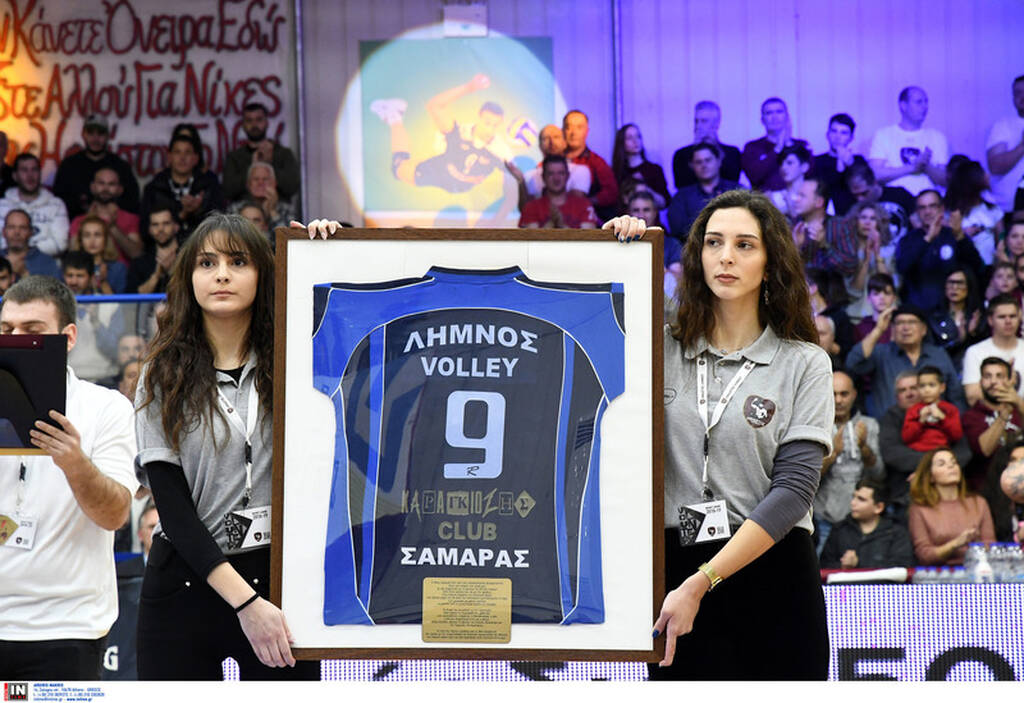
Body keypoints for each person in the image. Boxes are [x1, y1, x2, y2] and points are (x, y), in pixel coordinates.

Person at [607, 189, 833, 680]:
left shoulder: (804, 362)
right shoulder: (659, 346)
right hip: (675, 570)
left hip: (773, 571)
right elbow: (594, 312)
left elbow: (794, 492)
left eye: (744, 244)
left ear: (770, 265)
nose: (726, 256)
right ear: (697, 257)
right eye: (713, 242)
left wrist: (703, 582)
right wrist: (616, 250)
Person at [133, 213, 320, 680]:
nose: (221, 274)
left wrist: (324, 250)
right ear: (189, 278)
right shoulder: (161, 374)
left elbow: (354, 319)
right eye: (207, 262)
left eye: (238, 261)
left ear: (263, 273)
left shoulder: (297, 357)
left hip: (280, 585)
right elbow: (173, 509)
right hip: (185, 582)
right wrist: (247, 603)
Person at [0, 276, 138, 680]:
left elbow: (115, 515)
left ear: (69, 337)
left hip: (67, 626)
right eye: (7, 329)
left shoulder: (106, 407)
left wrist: (75, 462)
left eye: (32, 330)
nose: (16, 340)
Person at [846, 304, 965, 418]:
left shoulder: (938, 355)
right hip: (889, 427)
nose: (906, 328)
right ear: (892, 329)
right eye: (900, 323)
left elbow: (955, 395)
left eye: (912, 322)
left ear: (923, 329)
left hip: (933, 426)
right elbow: (852, 365)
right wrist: (878, 330)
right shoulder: (880, 353)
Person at [814, 370, 883, 551]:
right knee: (822, 568)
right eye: (833, 394)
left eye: (844, 394)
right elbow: (808, 478)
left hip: (861, 521)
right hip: (823, 519)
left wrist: (864, 448)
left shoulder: (868, 425)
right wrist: (834, 453)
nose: (838, 400)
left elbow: (879, 475)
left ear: (854, 395)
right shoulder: (815, 427)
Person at [895, 189, 985, 313]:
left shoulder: (954, 235)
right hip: (918, 311)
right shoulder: (908, 240)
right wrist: (928, 239)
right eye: (922, 207)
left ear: (942, 208)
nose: (927, 211)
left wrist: (960, 236)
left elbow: (977, 267)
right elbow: (902, 267)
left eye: (932, 206)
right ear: (917, 212)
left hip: (951, 310)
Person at [907, 449, 995, 565]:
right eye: (941, 464)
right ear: (931, 477)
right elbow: (924, 555)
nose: (951, 466)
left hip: (977, 569)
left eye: (954, 462)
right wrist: (956, 543)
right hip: (939, 573)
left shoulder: (979, 503)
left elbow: (991, 546)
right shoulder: (919, 509)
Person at [52, 114, 141, 219]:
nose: (95, 138)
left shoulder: (121, 166)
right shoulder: (69, 166)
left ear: (108, 136)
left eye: (100, 133)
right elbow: (58, 202)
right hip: (77, 224)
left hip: (114, 223)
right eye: (90, 133)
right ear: (83, 134)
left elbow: (132, 202)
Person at [140, 134, 224, 239]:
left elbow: (220, 225)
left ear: (196, 158)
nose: (182, 158)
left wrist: (198, 211)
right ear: (169, 157)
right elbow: (144, 231)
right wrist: (182, 214)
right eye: (177, 152)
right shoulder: (154, 188)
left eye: (187, 152)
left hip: (200, 244)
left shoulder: (209, 186)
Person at [869, 86, 949, 195]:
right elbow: (875, 175)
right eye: (919, 102)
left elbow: (944, 180)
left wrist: (925, 165)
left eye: (926, 102)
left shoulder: (937, 137)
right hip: (895, 198)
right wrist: (912, 167)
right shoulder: (883, 135)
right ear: (903, 106)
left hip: (929, 200)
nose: (925, 107)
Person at [819, 480, 914, 569]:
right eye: (853, 497)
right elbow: (823, 565)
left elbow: (901, 567)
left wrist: (858, 564)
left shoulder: (896, 533)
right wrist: (842, 566)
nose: (853, 503)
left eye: (861, 499)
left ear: (879, 507)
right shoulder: (839, 530)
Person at [962, 357, 1024, 491]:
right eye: (987, 376)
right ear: (980, 382)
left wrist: (1019, 403)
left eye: (999, 376)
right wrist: (1005, 412)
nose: (993, 382)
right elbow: (985, 450)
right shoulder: (971, 416)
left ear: (1010, 381)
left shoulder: (1019, 410)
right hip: (987, 489)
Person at [222, 102, 301, 204]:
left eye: (259, 120)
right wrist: (252, 167)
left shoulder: (283, 154)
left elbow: (292, 187)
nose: (254, 125)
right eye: (249, 120)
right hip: (243, 210)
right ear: (243, 125)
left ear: (267, 123)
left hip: (278, 209)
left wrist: (269, 164)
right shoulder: (234, 157)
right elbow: (228, 191)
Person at [504, 123, 591, 209]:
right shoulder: (529, 176)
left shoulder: (580, 170)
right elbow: (526, 211)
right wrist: (521, 181)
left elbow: (574, 207)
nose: (551, 142)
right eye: (545, 138)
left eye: (556, 137)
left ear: (565, 143)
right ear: (540, 146)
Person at [0, 153, 69, 257]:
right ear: (15, 176)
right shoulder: (2, 205)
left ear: (40, 174)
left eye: (34, 170)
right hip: (7, 261)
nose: (30, 175)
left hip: (45, 263)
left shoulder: (57, 204)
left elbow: (60, 244)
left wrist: (23, 251)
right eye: (24, 170)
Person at [666, 143, 740, 240]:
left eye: (708, 160)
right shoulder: (681, 197)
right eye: (698, 162)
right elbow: (677, 229)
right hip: (694, 246)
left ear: (719, 161)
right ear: (692, 166)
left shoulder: (738, 191)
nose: (704, 165)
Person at [68, 168, 143, 263]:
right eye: (101, 183)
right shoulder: (79, 221)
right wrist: (88, 221)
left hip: (121, 271)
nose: (105, 189)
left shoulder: (131, 219)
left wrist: (113, 227)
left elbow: (136, 254)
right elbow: (73, 256)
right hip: (88, 271)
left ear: (120, 189)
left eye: (111, 184)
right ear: (92, 187)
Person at [961, 294, 1024, 406]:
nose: (1008, 321)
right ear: (990, 320)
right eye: (1002, 317)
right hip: (988, 416)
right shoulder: (975, 352)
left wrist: (1018, 403)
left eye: (1012, 316)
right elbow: (973, 397)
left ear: (1019, 318)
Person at [740, 97, 810, 191]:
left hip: (798, 198)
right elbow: (754, 176)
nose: (775, 117)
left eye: (779, 112)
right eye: (769, 113)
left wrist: (789, 144)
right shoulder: (752, 147)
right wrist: (777, 149)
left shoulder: (802, 145)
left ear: (787, 117)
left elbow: (810, 175)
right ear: (762, 120)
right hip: (763, 199)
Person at [671, 100, 742, 190]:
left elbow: (732, 180)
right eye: (696, 121)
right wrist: (696, 150)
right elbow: (682, 185)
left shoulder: (732, 153)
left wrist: (714, 147)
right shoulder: (681, 155)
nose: (698, 126)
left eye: (704, 121)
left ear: (716, 123)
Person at [844, 161, 916, 248]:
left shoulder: (899, 195)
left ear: (874, 183)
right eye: (855, 195)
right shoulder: (853, 207)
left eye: (864, 193)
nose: (860, 199)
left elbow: (917, 225)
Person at [563, 110, 620, 219]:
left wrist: (585, 202)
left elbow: (611, 193)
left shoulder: (596, 163)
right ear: (563, 130)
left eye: (579, 127)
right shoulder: (552, 161)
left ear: (587, 131)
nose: (573, 132)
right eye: (568, 127)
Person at [945, 159, 1003, 264]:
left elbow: (1001, 241)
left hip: (989, 266)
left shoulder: (992, 209)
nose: (988, 175)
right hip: (961, 266)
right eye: (983, 173)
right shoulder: (952, 211)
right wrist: (962, 235)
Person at [518, 155, 598, 229]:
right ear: (543, 177)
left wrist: (561, 225)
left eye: (561, 173)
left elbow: (588, 237)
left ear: (567, 176)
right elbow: (530, 238)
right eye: (551, 174)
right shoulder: (531, 207)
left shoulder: (584, 205)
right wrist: (552, 223)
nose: (556, 178)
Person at [812, 113, 869, 216]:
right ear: (827, 134)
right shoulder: (816, 161)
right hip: (824, 215)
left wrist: (850, 164)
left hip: (855, 215)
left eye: (844, 133)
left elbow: (865, 188)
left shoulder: (858, 161)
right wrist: (840, 163)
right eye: (834, 131)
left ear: (851, 138)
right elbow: (821, 189)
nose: (838, 137)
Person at [929, 267, 986, 370]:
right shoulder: (934, 317)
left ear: (969, 286)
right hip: (941, 369)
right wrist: (959, 339)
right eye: (951, 283)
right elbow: (932, 351)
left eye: (960, 283)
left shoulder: (978, 316)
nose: (954, 287)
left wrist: (972, 334)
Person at [226, 162, 295, 244]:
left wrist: (273, 212)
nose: (260, 183)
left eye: (265, 179)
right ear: (248, 184)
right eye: (256, 179)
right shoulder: (235, 208)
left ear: (274, 183)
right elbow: (230, 239)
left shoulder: (286, 209)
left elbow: (287, 242)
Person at [984, 75, 1024, 214]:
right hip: (1007, 209)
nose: (1022, 96)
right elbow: (995, 167)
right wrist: (1022, 146)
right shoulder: (1002, 126)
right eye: (1017, 93)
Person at [901, 366, 963, 452]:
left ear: (942, 388)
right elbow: (906, 438)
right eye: (922, 386)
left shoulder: (950, 409)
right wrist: (920, 421)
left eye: (931, 385)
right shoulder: (913, 410)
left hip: (942, 451)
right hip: (917, 453)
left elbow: (956, 436)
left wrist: (943, 417)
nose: (927, 390)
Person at [611, 123, 670, 210]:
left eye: (638, 136)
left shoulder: (654, 169)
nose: (635, 141)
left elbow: (665, 203)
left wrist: (645, 187)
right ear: (621, 143)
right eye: (629, 138)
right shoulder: (615, 172)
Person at [126, 207, 181, 295]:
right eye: (155, 224)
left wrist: (172, 271)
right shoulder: (139, 263)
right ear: (149, 230)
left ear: (176, 226)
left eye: (166, 223)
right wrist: (156, 275)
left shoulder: (189, 256)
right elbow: (132, 298)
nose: (160, 229)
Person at [71, 216, 128, 295]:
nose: (92, 241)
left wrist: (103, 282)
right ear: (80, 241)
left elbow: (122, 302)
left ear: (106, 239)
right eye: (87, 235)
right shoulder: (71, 268)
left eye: (97, 235)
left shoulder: (118, 268)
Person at [0, 209, 61, 281]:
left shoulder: (47, 262)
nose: (16, 232)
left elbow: (56, 287)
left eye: (23, 228)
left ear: (31, 232)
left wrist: (24, 273)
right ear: (3, 231)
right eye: (11, 227)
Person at [765, 144, 812, 221]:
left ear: (804, 167)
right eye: (781, 163)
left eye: (789, 163)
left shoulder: (815, 196)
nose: (784, 167)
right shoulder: (774, 197)